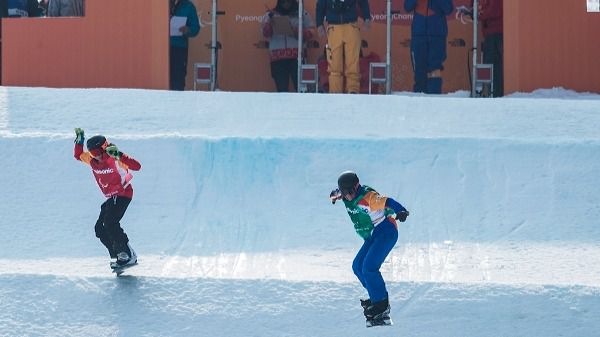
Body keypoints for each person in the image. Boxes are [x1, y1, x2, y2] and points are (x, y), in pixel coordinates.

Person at [330, 171, 409, 326]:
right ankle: (376, 296)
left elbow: (387, 201)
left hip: (386, 230)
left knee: (369, 267)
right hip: (374, 234)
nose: (346, 197)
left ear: (355, 189)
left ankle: (381, 305)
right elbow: (338, 192)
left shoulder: (368, 198)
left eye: (348, 194)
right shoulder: (347, 193)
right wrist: (335, 195)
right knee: (358, 266)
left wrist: (401, 210)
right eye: (344, 194)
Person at [73, 128, 141, 270]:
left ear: (104, 149)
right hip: (112, 197)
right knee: (99, 228)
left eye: (97, 153)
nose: (95, 156)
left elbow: (137, 166)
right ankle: (118, 255)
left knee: (110, 222)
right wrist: (79, 141)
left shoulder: (114, 158)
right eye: (92, 153)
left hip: (123, 193)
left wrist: (120, 155)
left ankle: (127, 254)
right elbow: (78, 155)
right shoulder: (92, 161)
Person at [315, 0, 372, 94]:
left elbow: (363, 2)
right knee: (334, 65)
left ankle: (353, 90)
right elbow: (320, 5)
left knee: (353, 63)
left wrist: (367, 18)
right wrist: (319, 24)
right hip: (334, 27)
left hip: (351, 26)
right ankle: (335, 92)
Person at [261, 0, 314, 92]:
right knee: (282, 91)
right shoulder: (270, 15)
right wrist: (270, 23)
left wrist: (294, 31)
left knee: (302, 90)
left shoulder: (302, 14)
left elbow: (311, 32)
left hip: (298, 58)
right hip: (278, 59)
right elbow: (265, 34)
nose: (286, 4)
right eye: (283, 2)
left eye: (288, 2)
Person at [404, 0, 454, 94]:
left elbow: (448, 9)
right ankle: (419, 104)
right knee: (419, 71)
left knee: (434, 69)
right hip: (418, 35)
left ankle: (434, 102)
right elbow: (407, 7)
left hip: (437, 35)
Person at [169, 0, 200, 91]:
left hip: (179, 48)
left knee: (178, 80)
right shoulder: (160, 5)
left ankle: (177, 103)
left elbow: (196, 28)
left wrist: (188, 30)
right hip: (159, 48)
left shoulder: (188, 6)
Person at [478, 0, 503, 97]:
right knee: (490, 63)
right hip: (490, 32)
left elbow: (494, 10)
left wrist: (478, 14)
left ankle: (495, 93)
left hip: (495, 32)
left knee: (494, 64)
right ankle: (488, 92)